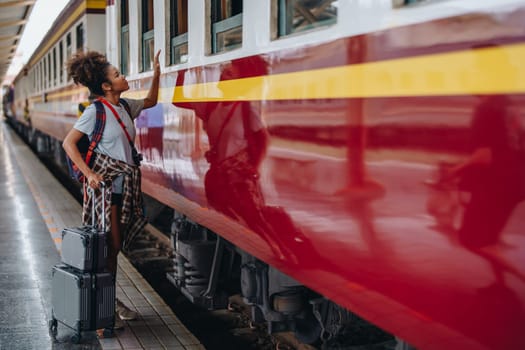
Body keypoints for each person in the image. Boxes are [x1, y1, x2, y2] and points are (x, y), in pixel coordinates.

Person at [62, 50, 161, 329]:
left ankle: (107, 300)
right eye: (118, 75)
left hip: (126, 183)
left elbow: (152, 101)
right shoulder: (95, 112)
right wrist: (90, 173)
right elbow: (69, 143)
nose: (123, 77)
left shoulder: (126, 107)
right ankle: (107, 304)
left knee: (113, 247)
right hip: (107, 188)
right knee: (111, 246)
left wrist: (156, 73)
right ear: (106, 86)